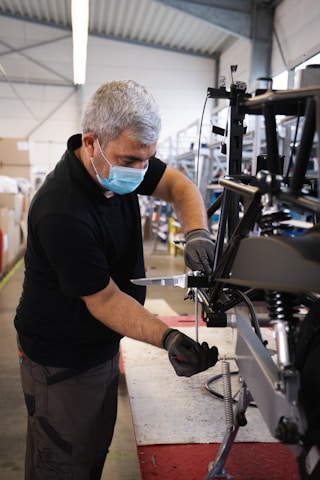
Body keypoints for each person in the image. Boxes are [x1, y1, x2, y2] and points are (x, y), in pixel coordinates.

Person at [14, 79, 218, 480]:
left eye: (147, 160)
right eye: (130, 160)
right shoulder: (62, 211)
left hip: (99, 344)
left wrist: (197, 231)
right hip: (61, 359)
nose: (140, 172)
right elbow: (105, 300)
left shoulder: (121, 161)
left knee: (88, 449)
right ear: (91, 142)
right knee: (63, 460)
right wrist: (168, 338)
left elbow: (178, 186)